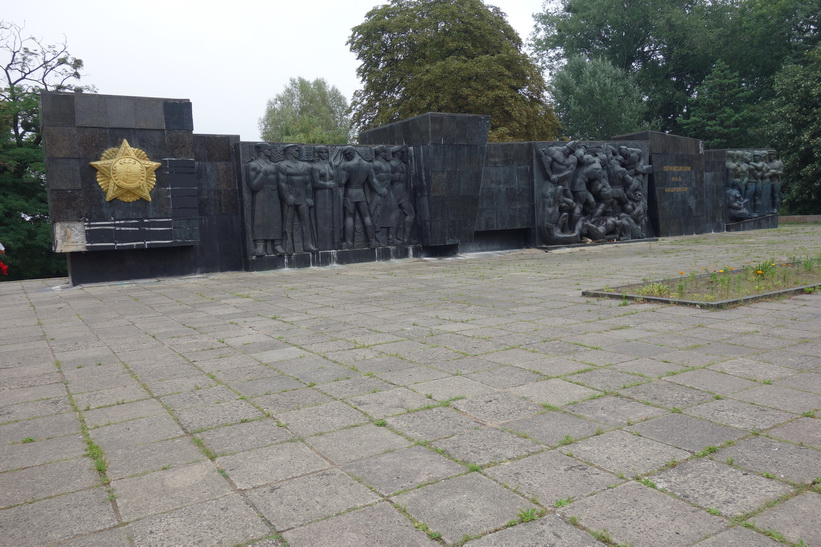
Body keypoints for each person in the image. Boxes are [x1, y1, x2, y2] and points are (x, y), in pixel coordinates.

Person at [337, 147, 387, 249]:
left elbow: (342, 182)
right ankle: (372, 242)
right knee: (366, 217)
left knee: (349, 218)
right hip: (361, 194)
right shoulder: (367, 165)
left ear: (352, 153)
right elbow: (373, 182)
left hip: (350, 194)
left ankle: (349, 243)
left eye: (347, 154)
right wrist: (381, 190)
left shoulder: (347, 165)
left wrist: (337, 169)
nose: (347, 156)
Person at [245, 143, 285, 256]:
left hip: (274, 195)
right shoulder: (252, 165)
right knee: (260, 219)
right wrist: (262, 174)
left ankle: (277, 244)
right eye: (268, 149)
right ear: (262, 151)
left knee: (275, 219)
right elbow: (253, 185)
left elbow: (281, 182)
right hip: (261, 195)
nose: (270, 151)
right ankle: (260, 246)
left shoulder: (274, 166)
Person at [278, 144, 318, 252]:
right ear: (289, 151)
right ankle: (287, 246)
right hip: (290, 197)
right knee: (287, 223)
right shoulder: (283, 165)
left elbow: (308, 182)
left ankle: (307, 244)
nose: (298, 152)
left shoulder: (305, 165)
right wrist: (287, 197)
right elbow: (281, 183)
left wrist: (309, 197)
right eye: (296, 150)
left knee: (306, 222)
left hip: (303, 198)